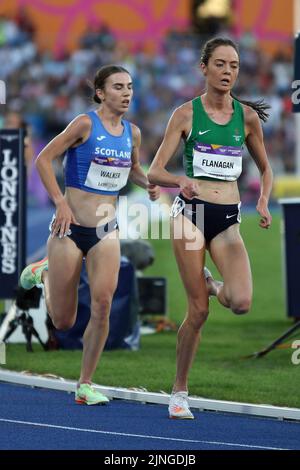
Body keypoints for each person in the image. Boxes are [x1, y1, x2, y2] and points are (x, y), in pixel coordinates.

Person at [20, 65, 160, 405]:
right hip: (69, 230)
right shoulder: (84, 124)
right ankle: (45, 274)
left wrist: (148, 184)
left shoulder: (133, 133)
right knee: (63, 321)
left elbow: (133, 168)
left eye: (129, 86)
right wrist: (60, 203)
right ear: (100, 93)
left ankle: (85, 384)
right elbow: (43, 159)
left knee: (102, 305)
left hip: (105, 231)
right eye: (118, 87)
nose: (127, 93)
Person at [148, 37, 273, 419]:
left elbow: (266, 169)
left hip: (227, 217)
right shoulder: (185, 114)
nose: (228, 72)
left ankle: (214, 283)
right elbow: (155, 170)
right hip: (190, 215)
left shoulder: (246, 117)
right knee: (198, 311)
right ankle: (180, 391)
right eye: (220, 64)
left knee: (241, 302)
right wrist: (178, 182)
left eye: (234, 65)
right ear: (204, 68)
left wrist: (264, 199)